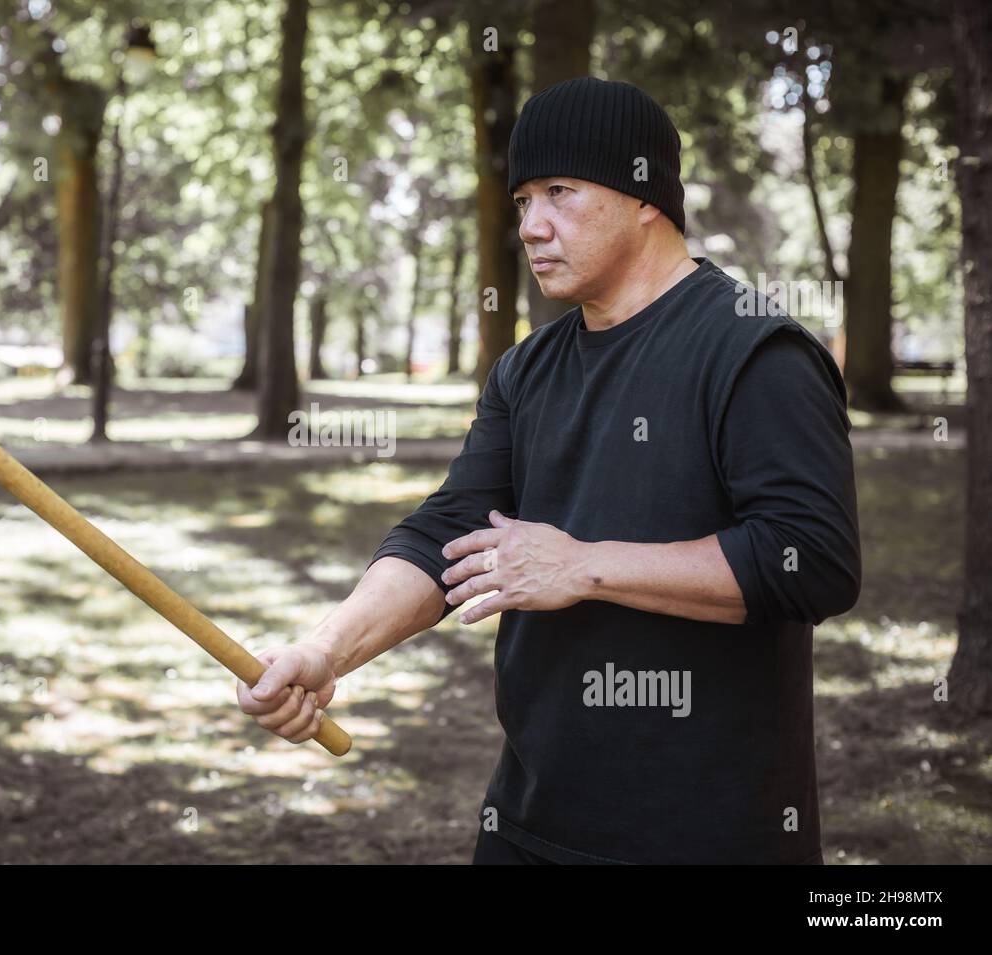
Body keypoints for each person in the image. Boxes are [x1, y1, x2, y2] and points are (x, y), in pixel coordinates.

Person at [236, 76, 861, 865]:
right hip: (529, 826)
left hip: (703, 835)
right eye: (523, 199)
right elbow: (446, 532)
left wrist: (585, 565)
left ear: (645, 197)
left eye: (559, 192)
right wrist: (323, 653)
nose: (530, 225)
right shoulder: (526, 369)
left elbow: (812, 562)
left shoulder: (755, 351)